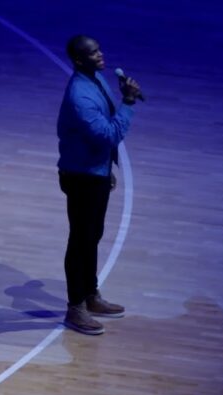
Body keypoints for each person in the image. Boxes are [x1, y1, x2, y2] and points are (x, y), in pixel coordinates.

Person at [56, 34, 141, 335]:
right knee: (80, 240)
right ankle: (75, 307)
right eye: (93, 54)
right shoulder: (80, 96)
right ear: (79, 60)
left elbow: (102, 138)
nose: (100, 56)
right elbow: (107, 136)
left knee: (92, 235)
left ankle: (90, 295)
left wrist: (106, 170)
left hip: (95, 173)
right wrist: (128, 104)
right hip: (81, 177)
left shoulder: (97, 80)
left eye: (99, 50)